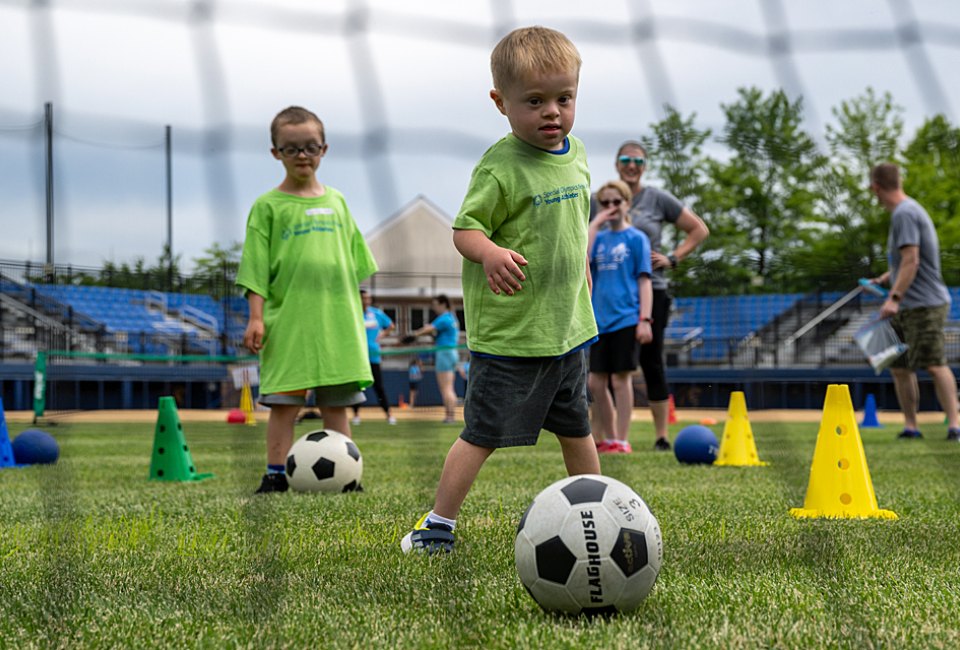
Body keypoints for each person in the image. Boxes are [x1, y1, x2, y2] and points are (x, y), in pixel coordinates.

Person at [401, 26, 600, 554]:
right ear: (501, 103)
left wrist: (583, 281)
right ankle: (437, 525)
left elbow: (575, 230)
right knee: (482, 434)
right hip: (512, 337)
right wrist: (489, 253)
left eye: (564, 98)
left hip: (568, 332)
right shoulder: (500, 165)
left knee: (578, 428)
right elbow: (465, 230)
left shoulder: (577, 153)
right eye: (534, 101)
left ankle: (599, 514)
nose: (552, 112)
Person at [237, 106, 378, 494]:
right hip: (290, 324)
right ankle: (274, 474)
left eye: (310, 147)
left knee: (337, 404)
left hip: (337, 323)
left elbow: (356, 264)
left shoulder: (338, 203)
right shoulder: (267, 207)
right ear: (275, 153)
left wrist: (358, 310)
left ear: (324, 149)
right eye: (291, 148)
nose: (302, 155)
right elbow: (255, 268)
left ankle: (347, 477)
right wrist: (256, 317)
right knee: (284, 404)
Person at [599, 140, 709, 451]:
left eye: (638, 161)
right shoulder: (604, 198)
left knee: (651, 363)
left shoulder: (657, 198)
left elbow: (699, 229)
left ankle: (661, 436)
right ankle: (609, 437)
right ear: (617, 164)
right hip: (611, 297)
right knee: (604, 370)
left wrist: (673, 258)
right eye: (625, 159)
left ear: (645, 166)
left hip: (652, 292)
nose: (631, 165)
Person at [868, 162, 959, 441]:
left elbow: (912, 260)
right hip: (908, 303)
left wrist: (893, 298)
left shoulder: (904, 214)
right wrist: (884, 279)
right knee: (899, 366)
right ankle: (911, 426)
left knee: (933, 363)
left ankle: (955, 425)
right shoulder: (908, 211)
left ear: (876, 188)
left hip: (925, 304)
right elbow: (904, 262)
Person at [588, 180, 653, 454]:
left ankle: (622, 439)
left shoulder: (637, 238)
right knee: (595, 382)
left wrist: (644, 319)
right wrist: (594, 224)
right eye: (605, 203)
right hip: (599, 320)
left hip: (626, 317)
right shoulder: (599, 237)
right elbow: (583, 257)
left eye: (617, 202)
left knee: (620, 380)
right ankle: (611, 436)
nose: (612, 207)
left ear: (628, 203)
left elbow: (644, 280)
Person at [406, 295, 460, 423]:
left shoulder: (444, 318)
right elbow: (435, 333)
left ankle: (450, 417)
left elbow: (428, 329)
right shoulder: (452, 318)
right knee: (450, 387)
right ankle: (450, 416)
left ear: (443, 304)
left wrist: (413, 335)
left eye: (435, 305)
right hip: (452, 353)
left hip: (444, 353)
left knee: (446, 388)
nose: (434, 308)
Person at [352, 289, 397, 425]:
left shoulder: (376, 313)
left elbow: (391, 326)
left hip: (374, 356)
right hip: (358, 356)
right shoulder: (353, 312)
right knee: (357, 387)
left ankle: (389, 415)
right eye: (363, 298)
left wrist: (382, 335)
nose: (366, 300)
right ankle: (356, 415)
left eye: (368, 298)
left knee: (379, 386)